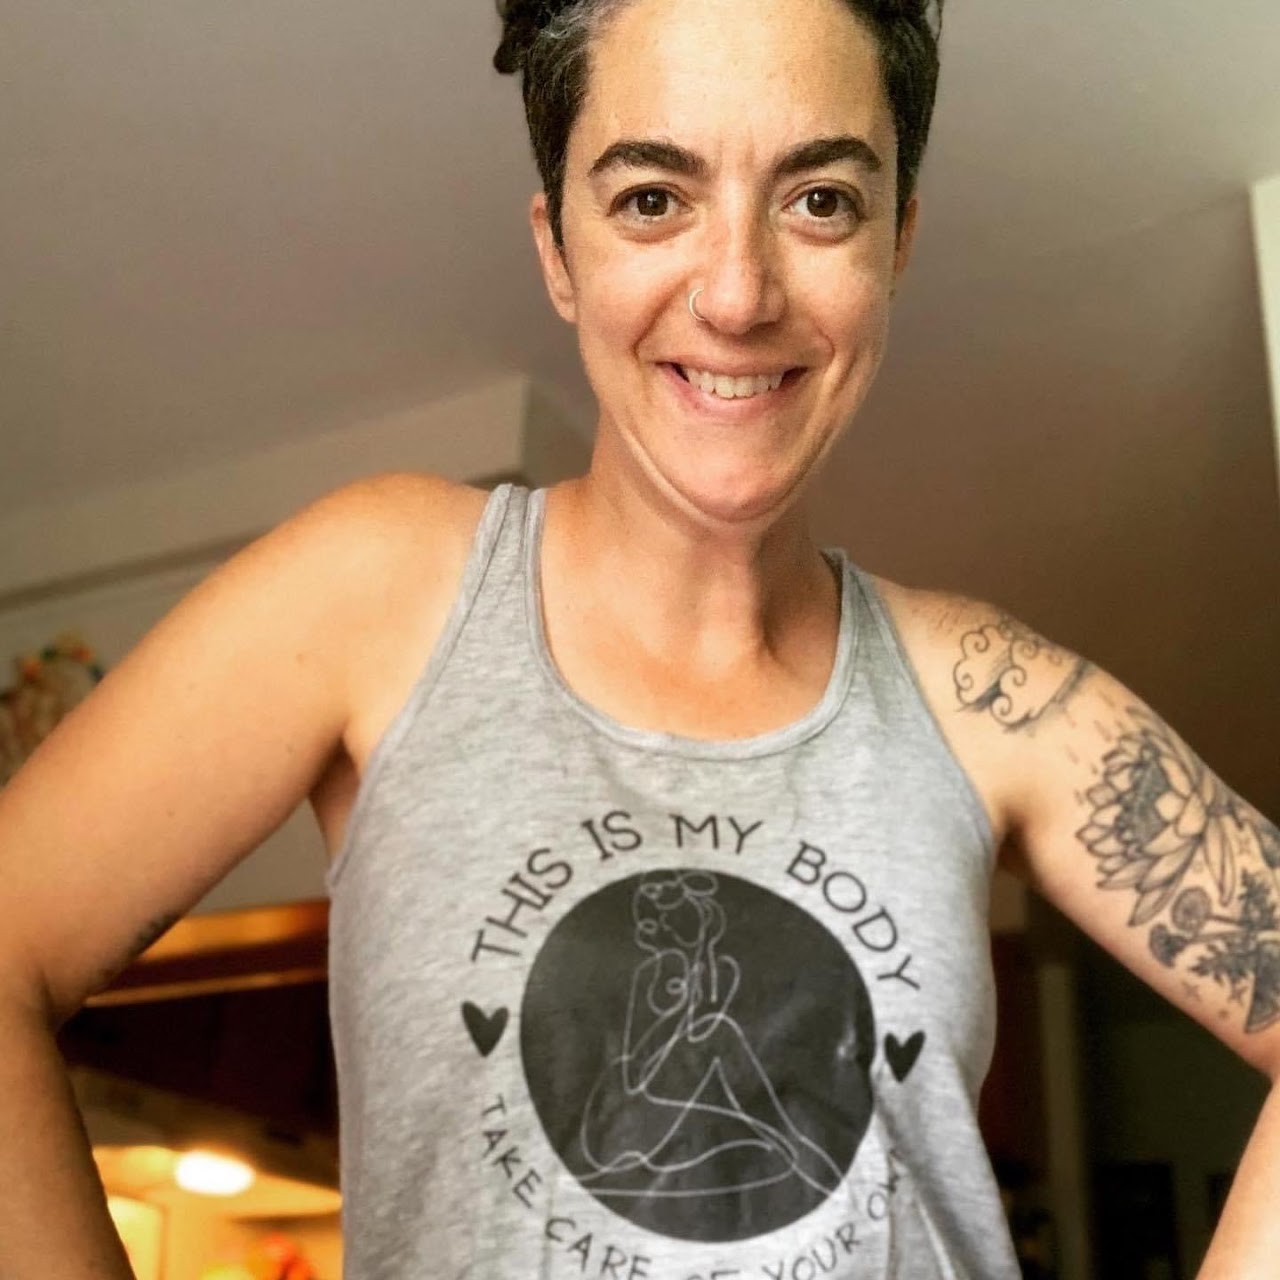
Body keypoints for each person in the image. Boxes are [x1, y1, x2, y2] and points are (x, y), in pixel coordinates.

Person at [0, 0, 1275, 1274]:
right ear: (557, 250)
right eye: (652, 199)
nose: (736, 293)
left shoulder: (990, 697)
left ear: (895, 242)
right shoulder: (375, 588)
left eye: (820, 200)